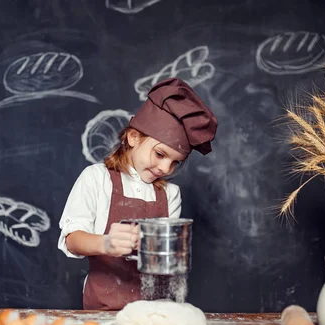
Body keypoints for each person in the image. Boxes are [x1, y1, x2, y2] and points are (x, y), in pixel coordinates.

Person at [58, 77, 218, 310]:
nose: (165, 169)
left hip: (156, 309)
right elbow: (72, 240)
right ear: (133, 137)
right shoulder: (96, 178)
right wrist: (106, 243)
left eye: (176, 162)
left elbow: (164, 260)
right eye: (160, 154)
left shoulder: (170, 194)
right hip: (103, 309)